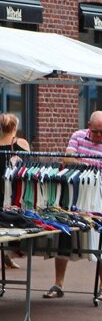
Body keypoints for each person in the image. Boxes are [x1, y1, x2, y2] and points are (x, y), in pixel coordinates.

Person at [42, 111, 102, 301]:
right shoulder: (78, 136)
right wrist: (89, 167)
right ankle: (58, 283)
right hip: (74, 192)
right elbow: (67, 158)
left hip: (98, 194)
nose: (99, 136)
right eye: (95, 131)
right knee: (65, 234)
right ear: (88, 126)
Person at [0, 113, 29, 268]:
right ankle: (9, 253)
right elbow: (29, 164)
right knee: (12, 219)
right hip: (14, 188)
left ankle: (5, 255)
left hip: (1, 187)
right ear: (15, 127)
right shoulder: (21, 143)